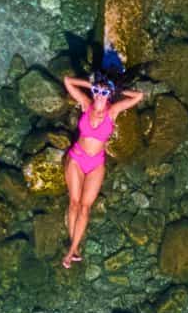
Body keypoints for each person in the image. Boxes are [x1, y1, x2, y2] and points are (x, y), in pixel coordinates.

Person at [60, 70, 145, 268]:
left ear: (110, 95)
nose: (100, 96)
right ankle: (72, 250)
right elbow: (68, 81)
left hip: (96, 164)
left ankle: (73, 249)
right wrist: (92, 86)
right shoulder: (85, 104)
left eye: (104, 93)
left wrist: (116, 90)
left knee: (85, 207)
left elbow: (139, 96)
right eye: (98, 92)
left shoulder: (113, 111)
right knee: (74, 203)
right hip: (77, 158)